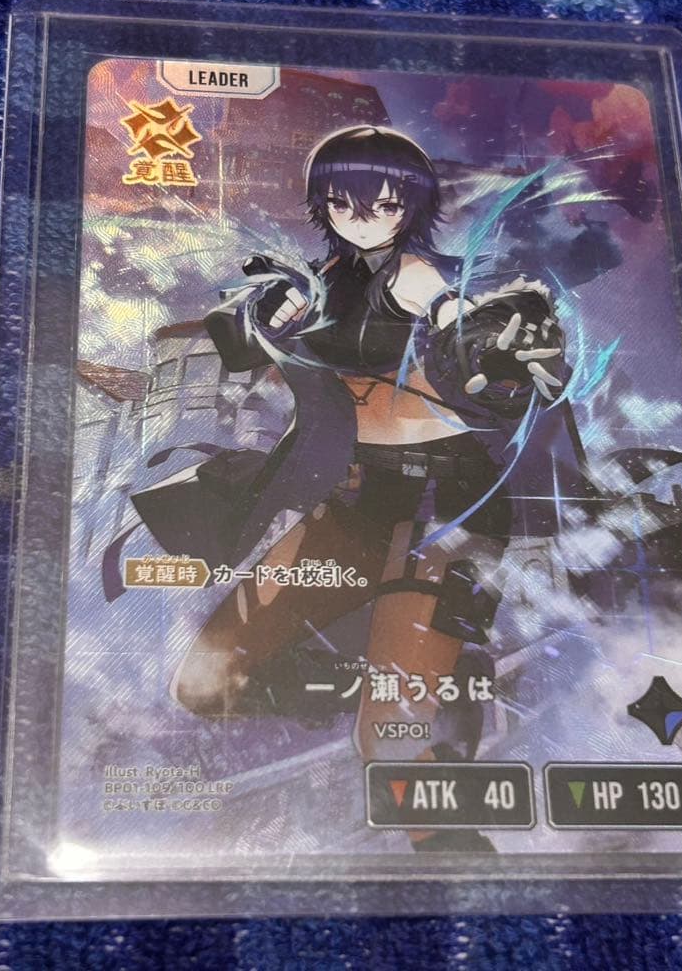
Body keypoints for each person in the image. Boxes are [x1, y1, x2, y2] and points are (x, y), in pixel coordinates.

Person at [170, 126, 567, 847]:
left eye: (385, 204)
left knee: (386, 743)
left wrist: (488, 343)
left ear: (411, 207)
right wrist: (261, 318)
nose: (365, 217)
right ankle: (413, 679)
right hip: (356, 501)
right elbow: (240, 349)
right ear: (323, 203)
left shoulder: (417, 276)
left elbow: (452, 317)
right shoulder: (317, 281)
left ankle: (457, 863)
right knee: (203, 684)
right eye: (346, 203)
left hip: (448, 509)